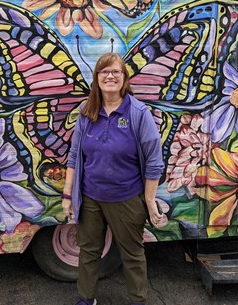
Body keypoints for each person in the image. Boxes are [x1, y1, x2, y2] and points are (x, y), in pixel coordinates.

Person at [62, 53, 164, 305]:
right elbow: (75, 155)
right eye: (104, 72)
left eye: (116, 72)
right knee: (88, 252)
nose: (110, 76)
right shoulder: (87, 113)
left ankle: (137, 300)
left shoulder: (138, 113)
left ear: (124, 78)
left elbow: (154, 160)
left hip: (126, 198)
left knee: (132, 254)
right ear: (96, 78)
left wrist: (149, 201)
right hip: (91, 197)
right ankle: (86, 298)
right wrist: (67, 193)